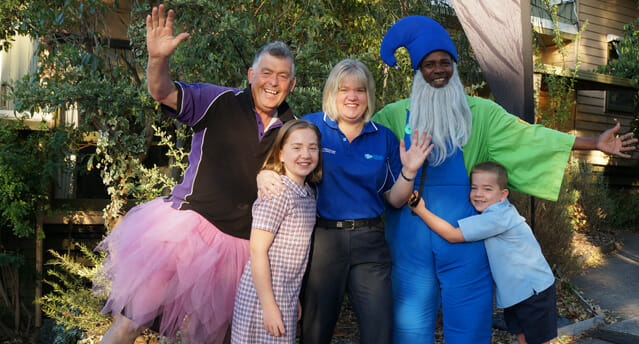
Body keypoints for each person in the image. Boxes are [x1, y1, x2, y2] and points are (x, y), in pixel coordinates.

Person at [372, 15, 638, 343]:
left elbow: (530, 138)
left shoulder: (480, 114)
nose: (438, 70)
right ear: (417, 71)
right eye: (429, 64)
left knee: (470, 323)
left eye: (445, 62)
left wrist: (592, 143)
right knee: (410, 325)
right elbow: (364, 156)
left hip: (465, 236)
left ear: (455, 67)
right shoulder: (392, 115)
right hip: (408, 241)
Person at [93, 4, 297, 343]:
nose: (273, 82)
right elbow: (162, 91)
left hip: (239, 251)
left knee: (204, 339)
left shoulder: (292, 132)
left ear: (292, 83)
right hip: (187, 233)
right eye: (266, 72)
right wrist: (158, 58)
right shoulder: (217, 100)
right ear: (250, 74)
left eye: (282, 76)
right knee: (131, 321)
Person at [257, 59, 433, 344]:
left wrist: (410, 170)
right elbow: (280, 158)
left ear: (368, 96)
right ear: (332, 93)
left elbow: (396, 199)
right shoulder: (312, 125)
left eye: (360, 90)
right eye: (344, 90)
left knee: (379, 334)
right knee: (315, 333)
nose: (352, 97)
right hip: (324, 240)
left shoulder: (383, 137)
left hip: (370, 243)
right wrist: (263, 174)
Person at [409, 161, 558, 344]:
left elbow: (453, 235)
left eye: (487, 189)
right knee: (524, 338)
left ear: (503, 195)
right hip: (519, 293)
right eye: (474, 188)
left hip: (533, 291)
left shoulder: (496, 217)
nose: (479, 194)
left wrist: (421, 210)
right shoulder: (496, 211)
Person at [231, 120, 322, 343]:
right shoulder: (276, 192)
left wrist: (292, 298)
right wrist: (269, 305)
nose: (306, 154)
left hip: (285, 297)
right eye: (297, 147)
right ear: (280, 154)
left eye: (312, 147)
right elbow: (258, 250)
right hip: (261, 298)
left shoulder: (308, 193)